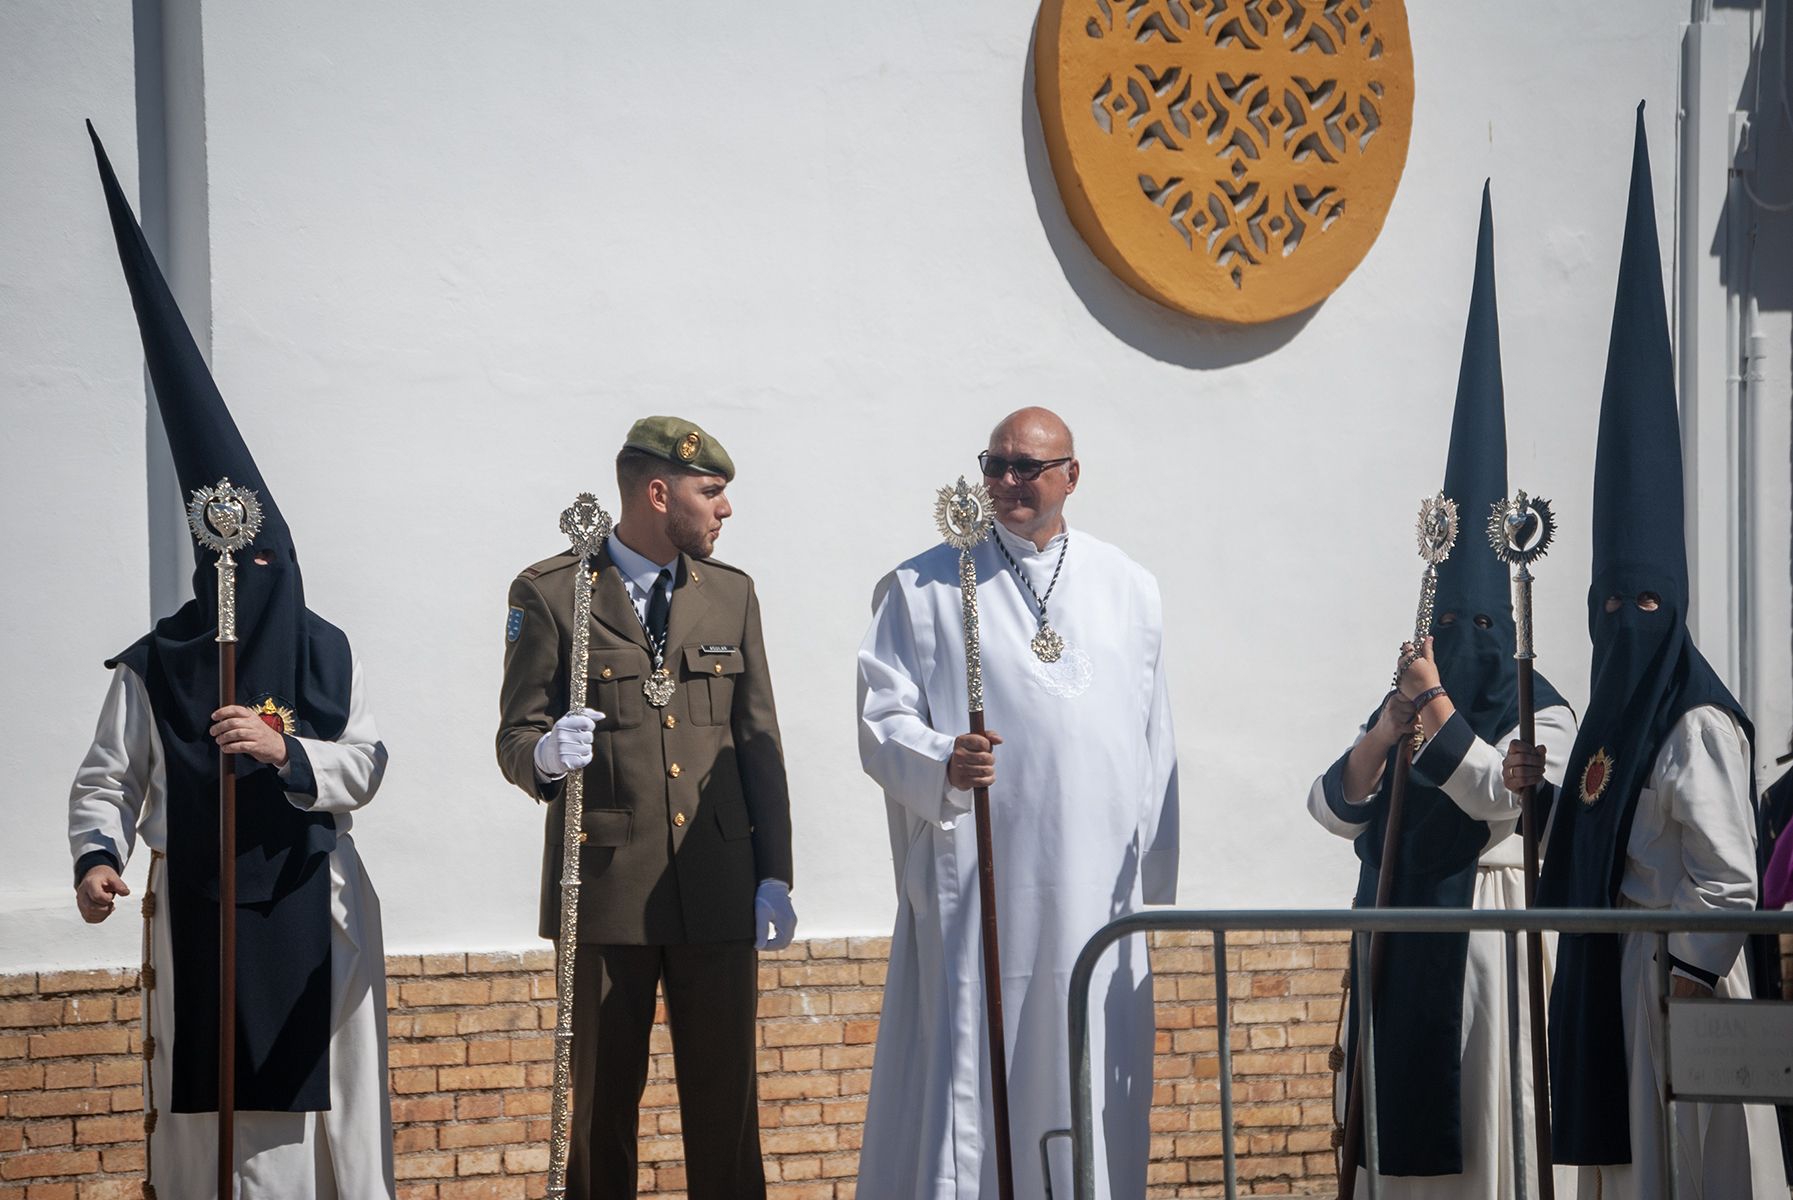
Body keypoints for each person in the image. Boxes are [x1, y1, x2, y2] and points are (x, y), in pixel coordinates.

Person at [70, 123, 395, 1198]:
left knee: (298, 1135)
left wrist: (282, 749)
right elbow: (106, 774)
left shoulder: (319, 649)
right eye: (226, 560)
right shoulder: (158, 665)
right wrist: (96, 856)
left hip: (305, 905)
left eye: (257, 560)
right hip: (194, 904)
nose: (243, 580)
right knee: (198, 1132)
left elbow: (366, 769)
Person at [1505, 105, 1786, 1198]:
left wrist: (1677, 976)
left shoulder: (1695, 720)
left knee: (1683, 1173)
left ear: (1670, 605)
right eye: (1607, 600)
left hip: (1670, 988)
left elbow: (1723, 881)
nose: (1624, 617)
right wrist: (1535, 799)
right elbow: (1591, 830)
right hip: (1612, 975)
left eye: (1644, 600)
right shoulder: (1617, 717)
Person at [1306, 185, 1578, 1200]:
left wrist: (1438, 708)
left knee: (1481, 1129)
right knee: (1402, 1136)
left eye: (1477, 628)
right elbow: (1332, 808)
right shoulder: (1402, 695)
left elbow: (1500, 799)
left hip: (1487, 931)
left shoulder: (1535, 698)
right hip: (1401, 927)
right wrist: (1388, 720)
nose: (1462, 644)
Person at [854, 406, 1179, 1199]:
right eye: (993, 465)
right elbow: (881, 718)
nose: (1006, 483)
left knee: (1085, 1053)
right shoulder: (926, 584)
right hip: (979, 881)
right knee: (978, 1062)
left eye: (1025, 467)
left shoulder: (1128, 587)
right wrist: (942, 757)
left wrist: (1152, 890)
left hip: (1096, 886)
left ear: (1071, 474)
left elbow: (1152, 740)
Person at [495, 417, 795, 1199]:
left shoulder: (730, 595)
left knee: (726, 1106)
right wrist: (544, 758)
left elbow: (757, 739)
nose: (723, 510)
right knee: (599, 1110)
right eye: (711, 492)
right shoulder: (553, 591)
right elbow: (516, 733)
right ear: (659, 493)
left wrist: (775, 873)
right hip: (602, 893)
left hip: (718, 881)